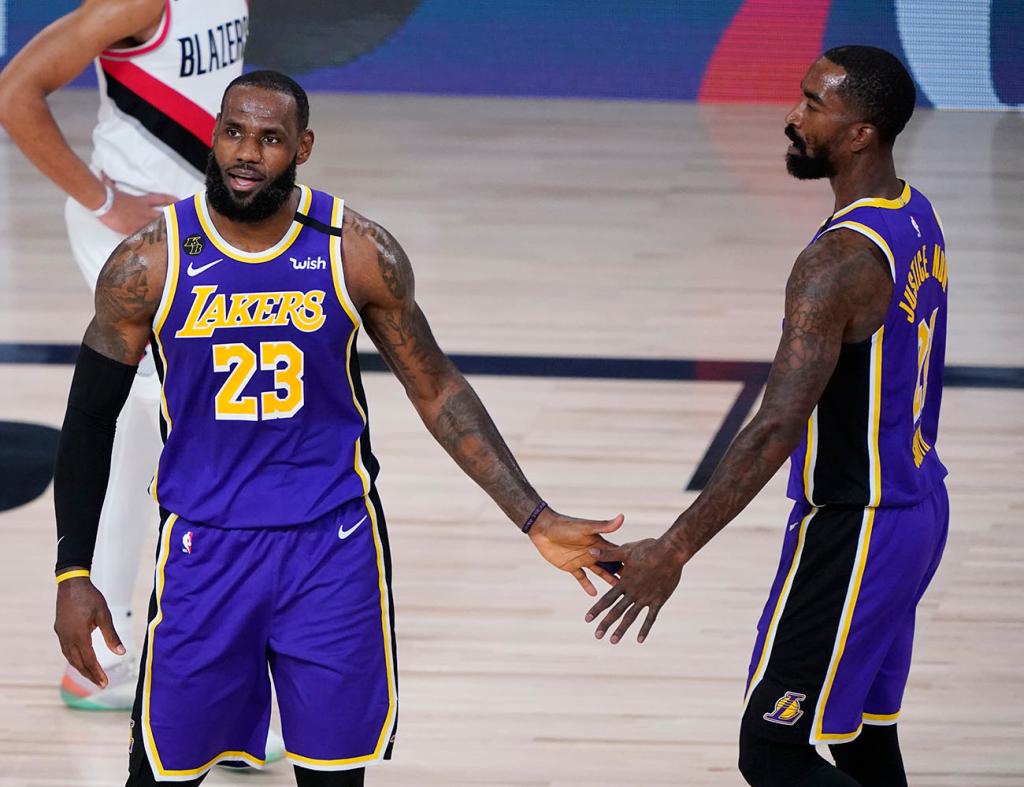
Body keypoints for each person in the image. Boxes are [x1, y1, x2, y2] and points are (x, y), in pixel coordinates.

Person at [51, 70, 624, 785]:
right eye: (234, 132)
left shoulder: (354, 251)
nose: (247, 153)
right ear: (213, 133)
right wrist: (75, 570)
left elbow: (436, 386)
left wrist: (533, 516)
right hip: (205, 551)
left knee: (332, 775)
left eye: (270, 139)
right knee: (161, 775)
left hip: (332, 550)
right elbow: (86, 424)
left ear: (303, 147)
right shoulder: (148, 263)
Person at [587, 46, 947, 787]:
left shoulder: (834, 264)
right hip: (918, 506)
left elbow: (777, 424)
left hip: (858, 522)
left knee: (774, 749)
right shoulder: (913, 211)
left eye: (815, 105)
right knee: (860, 736)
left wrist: (675, 547)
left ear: (860, 135)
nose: (793, 117)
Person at [0, 0, 250, 712]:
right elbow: (14, 92)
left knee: (138, 440)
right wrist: (105, 197)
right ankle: (218, 687)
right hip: (131, 239)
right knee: (207, 439)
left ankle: (98, 661)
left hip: (195, 230)